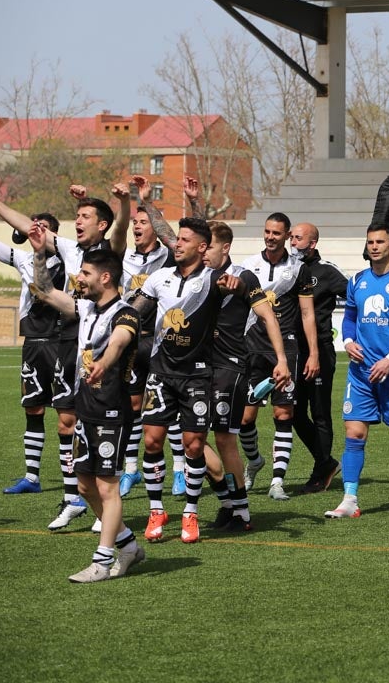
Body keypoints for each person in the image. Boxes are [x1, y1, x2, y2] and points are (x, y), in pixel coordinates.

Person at [0, 182, 130, 530]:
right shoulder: (70, 248)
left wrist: (125, 202)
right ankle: (73, 499)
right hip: (67, 340)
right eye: (76, 216)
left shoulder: (111, 252)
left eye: (85, 216)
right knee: (66, 423)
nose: (77, 221)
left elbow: (121, 227)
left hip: (103, 343)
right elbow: (30, 229)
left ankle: (107, 499)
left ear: (102, 224)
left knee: (98, 422)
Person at [26, 230, 145, 582]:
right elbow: (44, 291)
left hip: (112, 410)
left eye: (85, 273)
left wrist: (103, 365)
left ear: (105, 277)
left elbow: (119, 342)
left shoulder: (126, 313)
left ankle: (102, 561)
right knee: (84, 487)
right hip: (85, 406)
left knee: (107, 487)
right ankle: (128, 545)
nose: (79, 278)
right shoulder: (86, 308)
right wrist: (39, 254)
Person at [133, 218, 240, 543]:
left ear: (202, 247)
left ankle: (190, 512)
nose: (177, 244)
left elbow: (236, 285)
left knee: (193, 445)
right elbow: (135, 312)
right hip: (160, 374)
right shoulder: (159, 278)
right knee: (152, 441)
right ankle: (156, 511)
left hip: (197, 376)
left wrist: (235, 284)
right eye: (176, 239)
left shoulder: (213, 279)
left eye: (185, 240)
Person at [325, 223, 389, 519]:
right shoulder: (357, 280)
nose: (374, 246)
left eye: (380, 241)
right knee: (354, 434)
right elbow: (349, 317)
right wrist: (348, 341)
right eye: (370, 242)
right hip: (360, 372)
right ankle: (349, 499)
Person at [202, 221, 291, 532]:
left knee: (224, 438)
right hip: (195, 369)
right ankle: (228, 501)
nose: (202, 252)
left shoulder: (244, 276)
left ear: (225, 247)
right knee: (190, 440)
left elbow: (268, 316)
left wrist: (282, 359)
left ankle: (240, 511)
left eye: (209, 246)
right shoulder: (195, 275)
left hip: (229, 367)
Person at [0, 190, 63, 496]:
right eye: (32, 226)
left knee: (69, 415)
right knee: (33, 409)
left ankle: (79, 480)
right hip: (33, 345)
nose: (34, 230)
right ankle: (31, 477)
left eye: (42, 227)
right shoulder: (24, 259)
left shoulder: (70, 260)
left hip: (62, 342)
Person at [239, 213, 319, 501]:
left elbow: (307, 313)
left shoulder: (299, 269)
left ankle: (277, 481)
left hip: (286, 349)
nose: (270, 237)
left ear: (287, 236)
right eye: (267, 232)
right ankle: (255, 462)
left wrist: (313, 354)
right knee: (245, 418)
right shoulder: (248, 265)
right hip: (251, 347)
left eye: (276, 233)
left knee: (283, 414)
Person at [117, 176, 180, 499]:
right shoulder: (123, 256)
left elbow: (173, 238)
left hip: (158, 342)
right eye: (135, 222)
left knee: (168, 406)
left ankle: (180, 470)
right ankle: (131, 469)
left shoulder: (167, 258)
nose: (137, 226)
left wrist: (145, 201)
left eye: (144, 222)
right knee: (132, 405)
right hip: (130, 342)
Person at [289, 222, 347, 493]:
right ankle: (326, 461)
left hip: (320, 350)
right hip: (292, 351)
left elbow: (356, 296)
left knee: (320, 412)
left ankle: (321, 470)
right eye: (291, 237)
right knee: (293, 413)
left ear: (312, 244)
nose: (293, 242)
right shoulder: (287, 269)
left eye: (298, 238)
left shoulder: (326, 271)